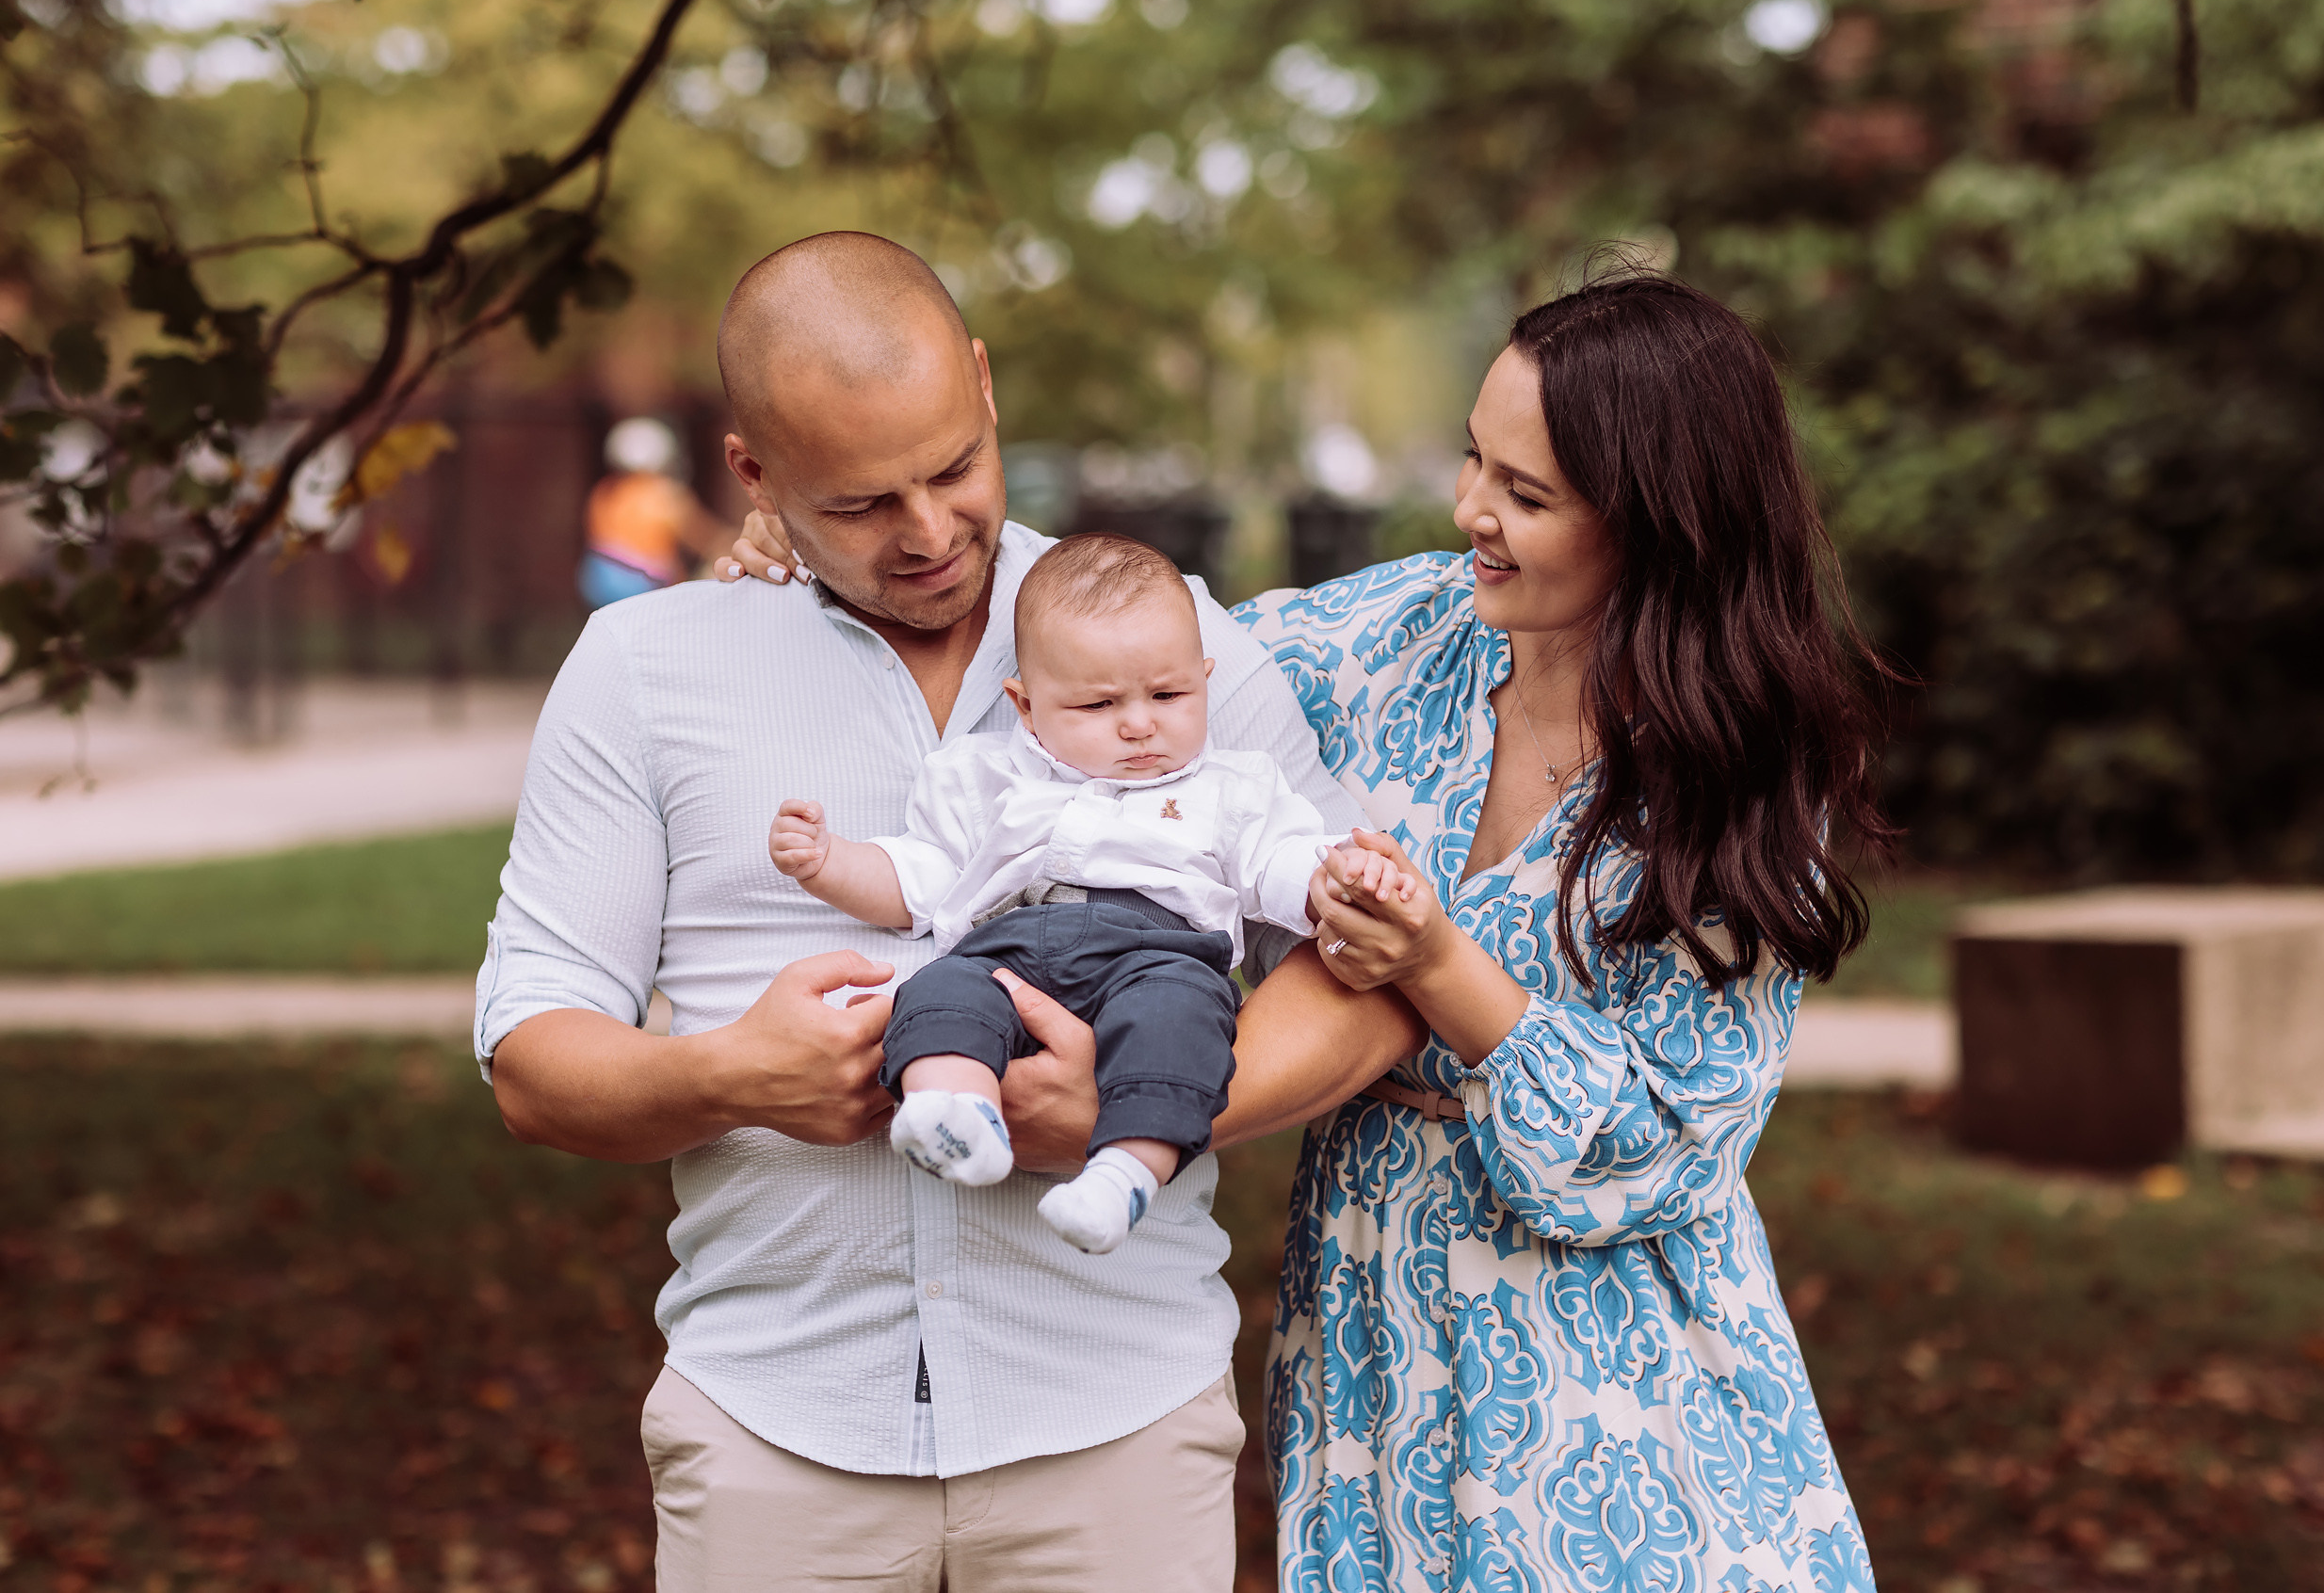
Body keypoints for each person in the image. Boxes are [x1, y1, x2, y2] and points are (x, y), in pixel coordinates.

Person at [716, 266, 1890, 1587]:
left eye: (1528, 494)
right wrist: (827, 540)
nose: (1471, 513)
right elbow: (1120, 640)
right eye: (1473, 460)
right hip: (1376, 1316)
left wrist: (1443, 968)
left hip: (1621, 1373)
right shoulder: (1403, 633)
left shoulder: (1739, 779)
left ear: (1663, 522)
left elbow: (1665, 1151)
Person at [479, 232, 1422, 1592]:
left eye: (952, 469)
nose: (926, 532)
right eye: (860, 501)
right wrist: (734, 1072)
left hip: (1116, 1423)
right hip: (774, 1433)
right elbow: (529, 1056)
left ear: (983, 388)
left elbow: (1366, 973)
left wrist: (1145, 1109)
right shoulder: (645, 669)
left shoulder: (1172, 649)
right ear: (753, 472)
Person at [769, 532, 1405, 1254]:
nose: (1140, 724)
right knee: (940, 991)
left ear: (1205, 677)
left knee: (1182, 1031)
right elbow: (921, 876)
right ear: (1027, 706)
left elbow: (1277, 863)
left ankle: (1127, 1173)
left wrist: (1332, 880)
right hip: (1008, 945)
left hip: (1163, 953)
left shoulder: (1232, 786)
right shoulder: (986, 777)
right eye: (1099, 705)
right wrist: (830, 861)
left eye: (1169, 694)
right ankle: (955, 1108)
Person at [576, 416, 729, 608]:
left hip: (597, 589)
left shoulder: (603, 493)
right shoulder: (665, 493)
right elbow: (704, 539)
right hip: (648, 589)